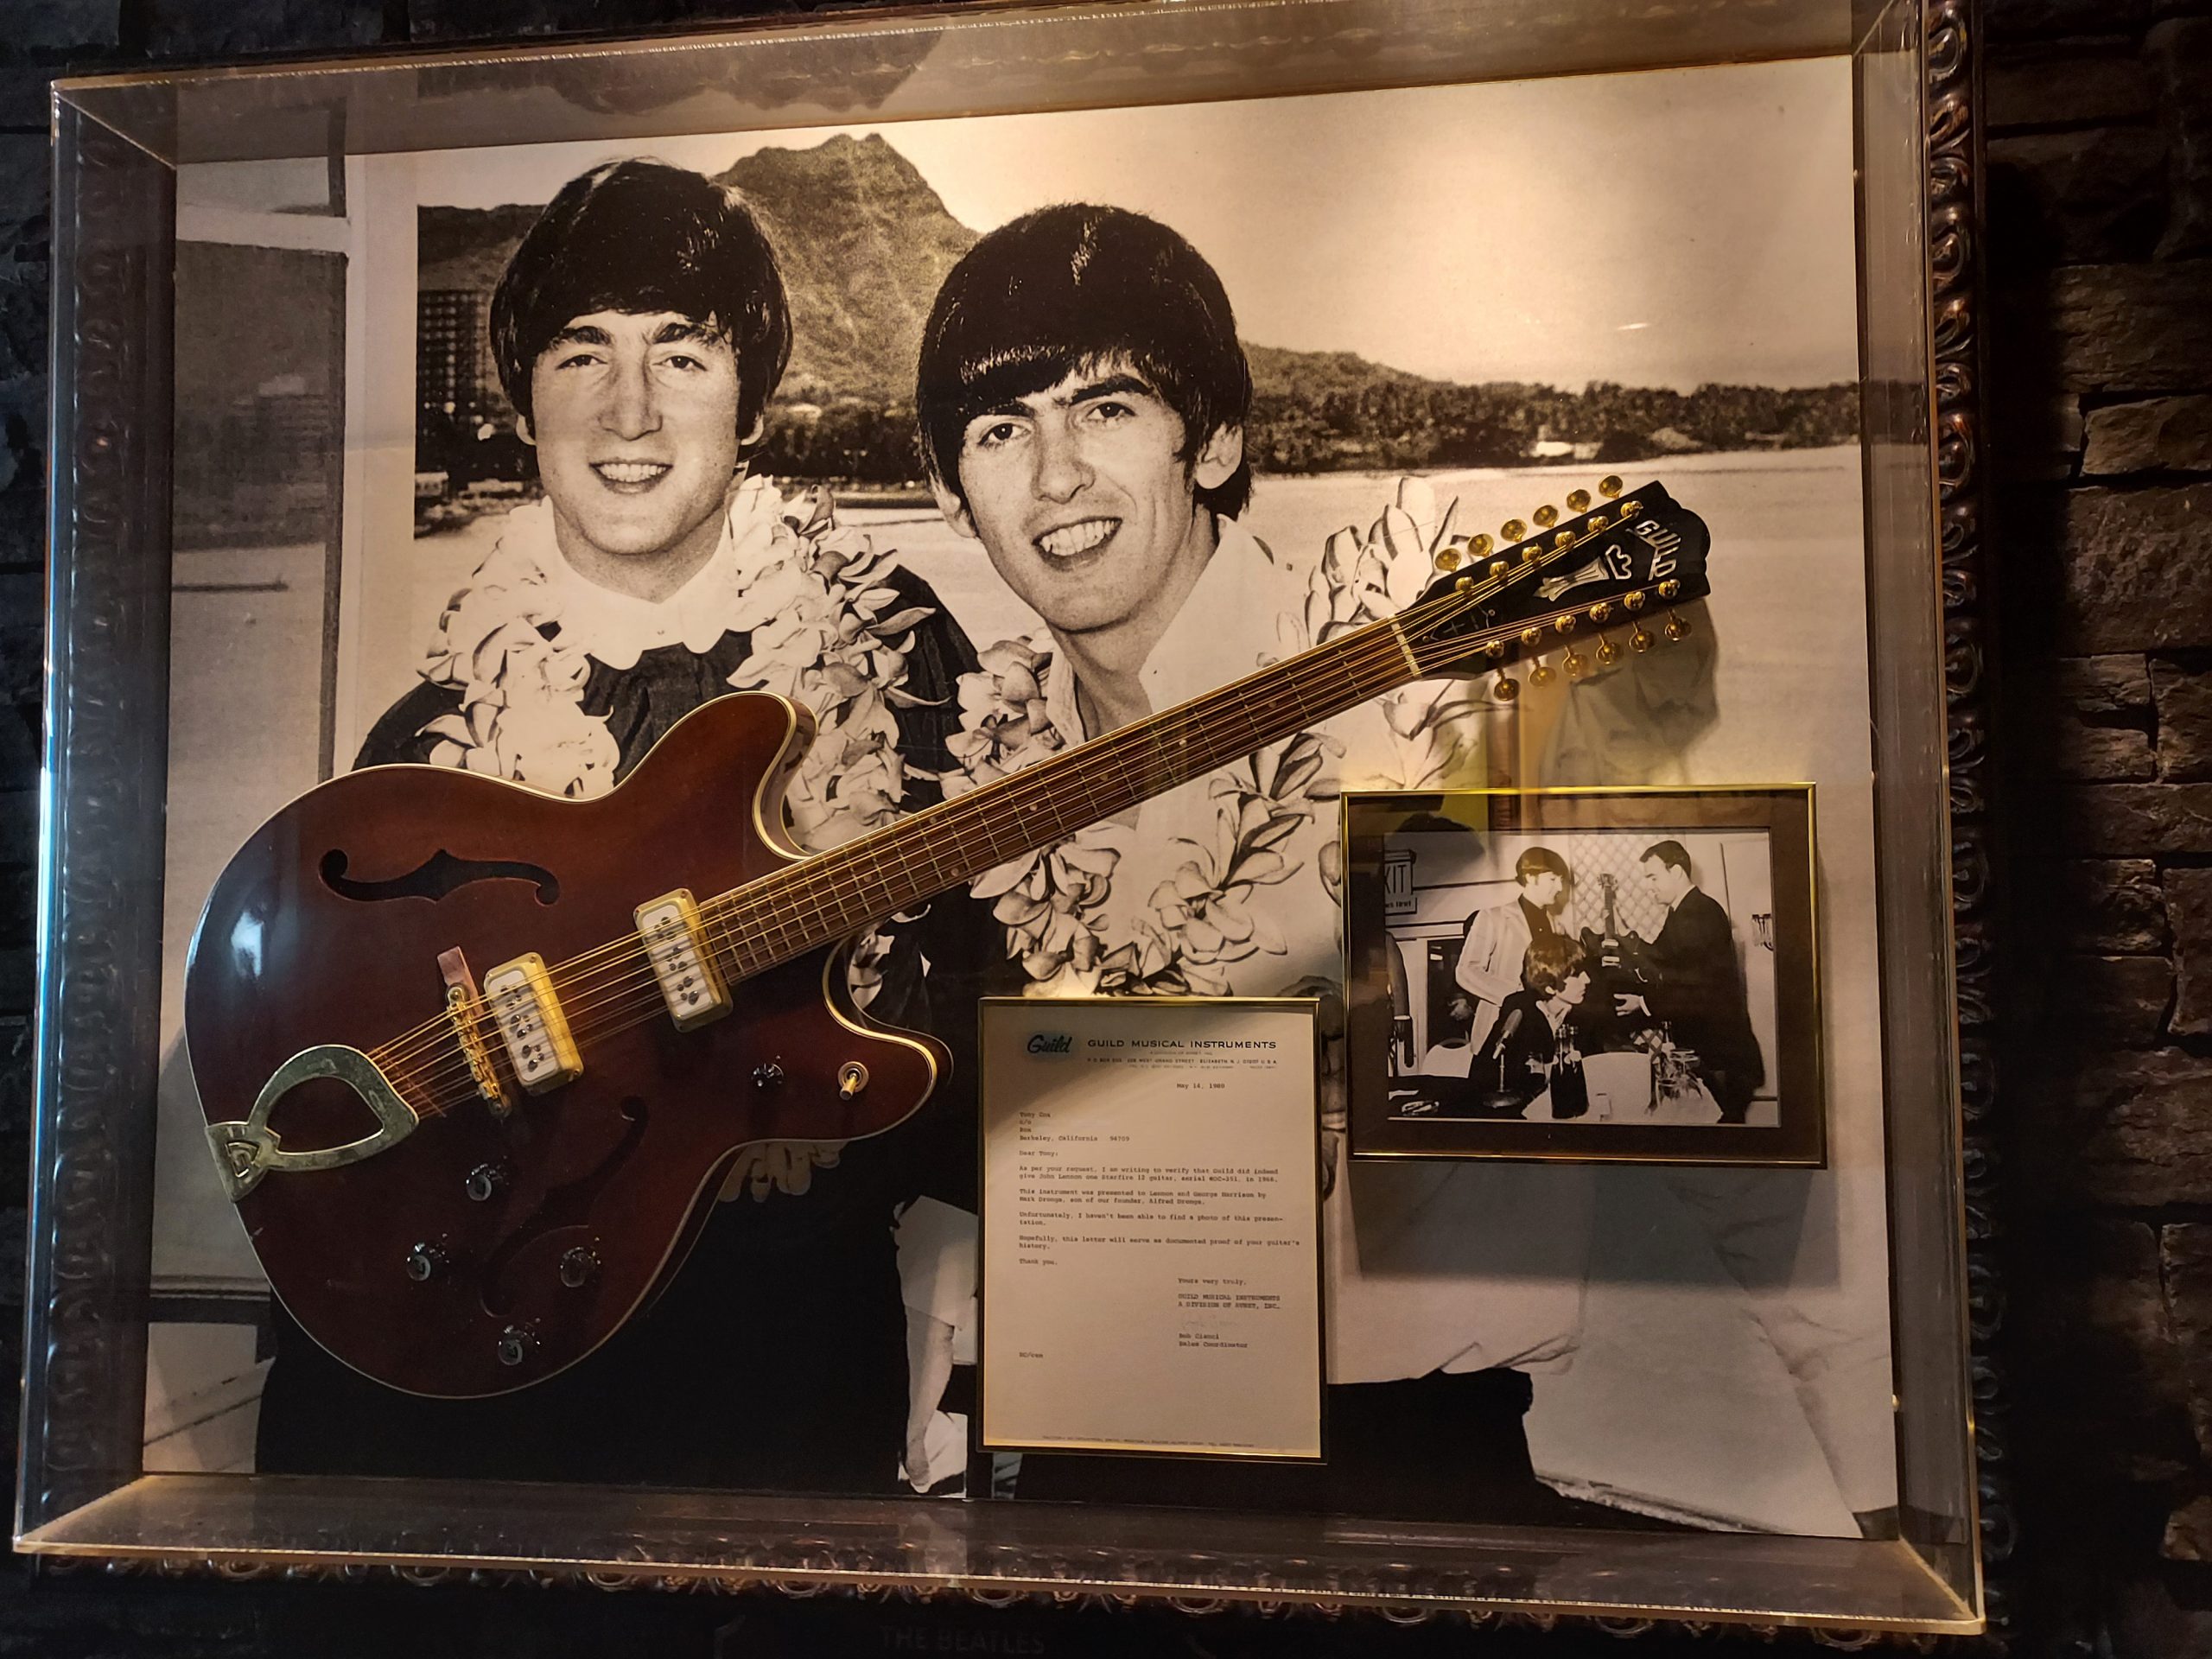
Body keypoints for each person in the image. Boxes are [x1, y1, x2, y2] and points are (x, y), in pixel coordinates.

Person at [254, 157, 981, 1494]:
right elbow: (333, 1103)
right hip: (498, 1382)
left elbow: (973, 1027)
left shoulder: (901, 659)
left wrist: (803, 1106)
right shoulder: (430, 739)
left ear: (751, 400)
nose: (629, 410)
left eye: (684, 355)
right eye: (582, 353)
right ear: (522, 395)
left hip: (785, 1369)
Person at [909, 204, 1608, 1524]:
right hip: (1086, 1431)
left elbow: (1566, 1123)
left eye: (1106, 408)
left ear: (1214, 437)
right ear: (953, 496)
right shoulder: (979, 779)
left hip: (1401, 1458)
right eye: (1003, 432)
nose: (1056, 478)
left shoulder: (1421, 716)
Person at [1618, 839, 1764, 1124]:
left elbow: (1693, 985)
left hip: (1719, 1054)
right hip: (1711, 1049)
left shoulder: (1698, 913)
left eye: (1653, 877)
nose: (1648, 887)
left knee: (1721, 1137)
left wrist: (1643, 1002)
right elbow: (1660, 958)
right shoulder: (1683, 911)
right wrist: (1627, 939)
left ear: (1676, 872)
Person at [1462, 932, 1592, 1121]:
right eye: (1577, 975)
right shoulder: (1519, 1009)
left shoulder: (1586, 1016)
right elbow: (1484, 1072)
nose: (1587, 980)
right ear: (1550, 987)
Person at [1453, 846, 1570, 1052]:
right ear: (1530, 877)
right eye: (1553, 879)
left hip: (1542, 1032)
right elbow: (1466, 971)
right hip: (1501, 1028)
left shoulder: (1558, 927)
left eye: (1561, 880)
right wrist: (1517, 997)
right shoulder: (1493, 917)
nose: (1560, 887)